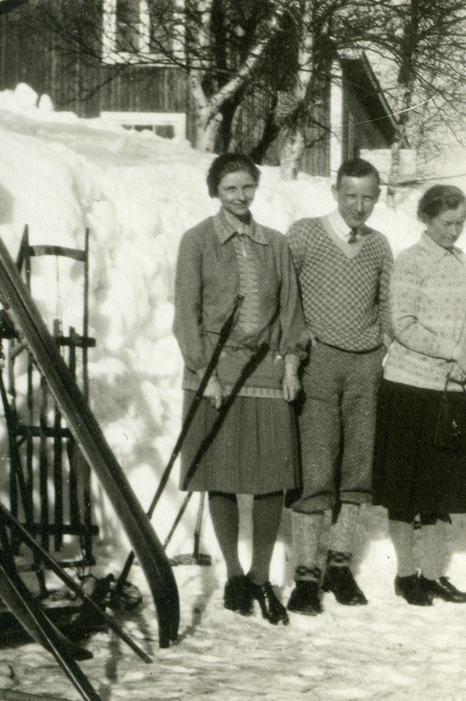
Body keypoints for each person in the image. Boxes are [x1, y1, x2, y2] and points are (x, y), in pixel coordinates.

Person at [173, 153, 307, 626]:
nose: (240, 196)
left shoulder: (275, 244)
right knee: (223, 475)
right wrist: (203, 370)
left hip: (266, 370)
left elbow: (290, 309)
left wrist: (291, 362)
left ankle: (260, 576)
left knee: (272, 477)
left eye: (247, 187)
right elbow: (185, 315)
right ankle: (233, 573)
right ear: (216, 191)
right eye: (231, 188)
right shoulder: (197, 241)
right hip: (215, 369)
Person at [284, 157, 392, 615]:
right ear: (335, 191)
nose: (359, 205)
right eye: (351, 195)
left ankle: (340, 565)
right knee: (315, 468)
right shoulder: (305, 233)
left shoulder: (379, 245)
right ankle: (306, 572)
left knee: (357, 469)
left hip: (366, 366)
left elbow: (388, 302)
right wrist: (297, 348)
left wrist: (382, 343)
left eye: (368, 196)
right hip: (318, 363)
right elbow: (287, 296)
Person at [373, 184, 466, 606]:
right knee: (405, 487)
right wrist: (450, 351)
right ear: (427, 218)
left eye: (460, 223)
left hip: (450, 389)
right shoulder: (411, 261)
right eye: (446, 223)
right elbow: (403, 323)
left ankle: (434, 574)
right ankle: (406, 574)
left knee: (439, 489)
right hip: (410, 388)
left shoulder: (461, 260)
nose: (454, 231)